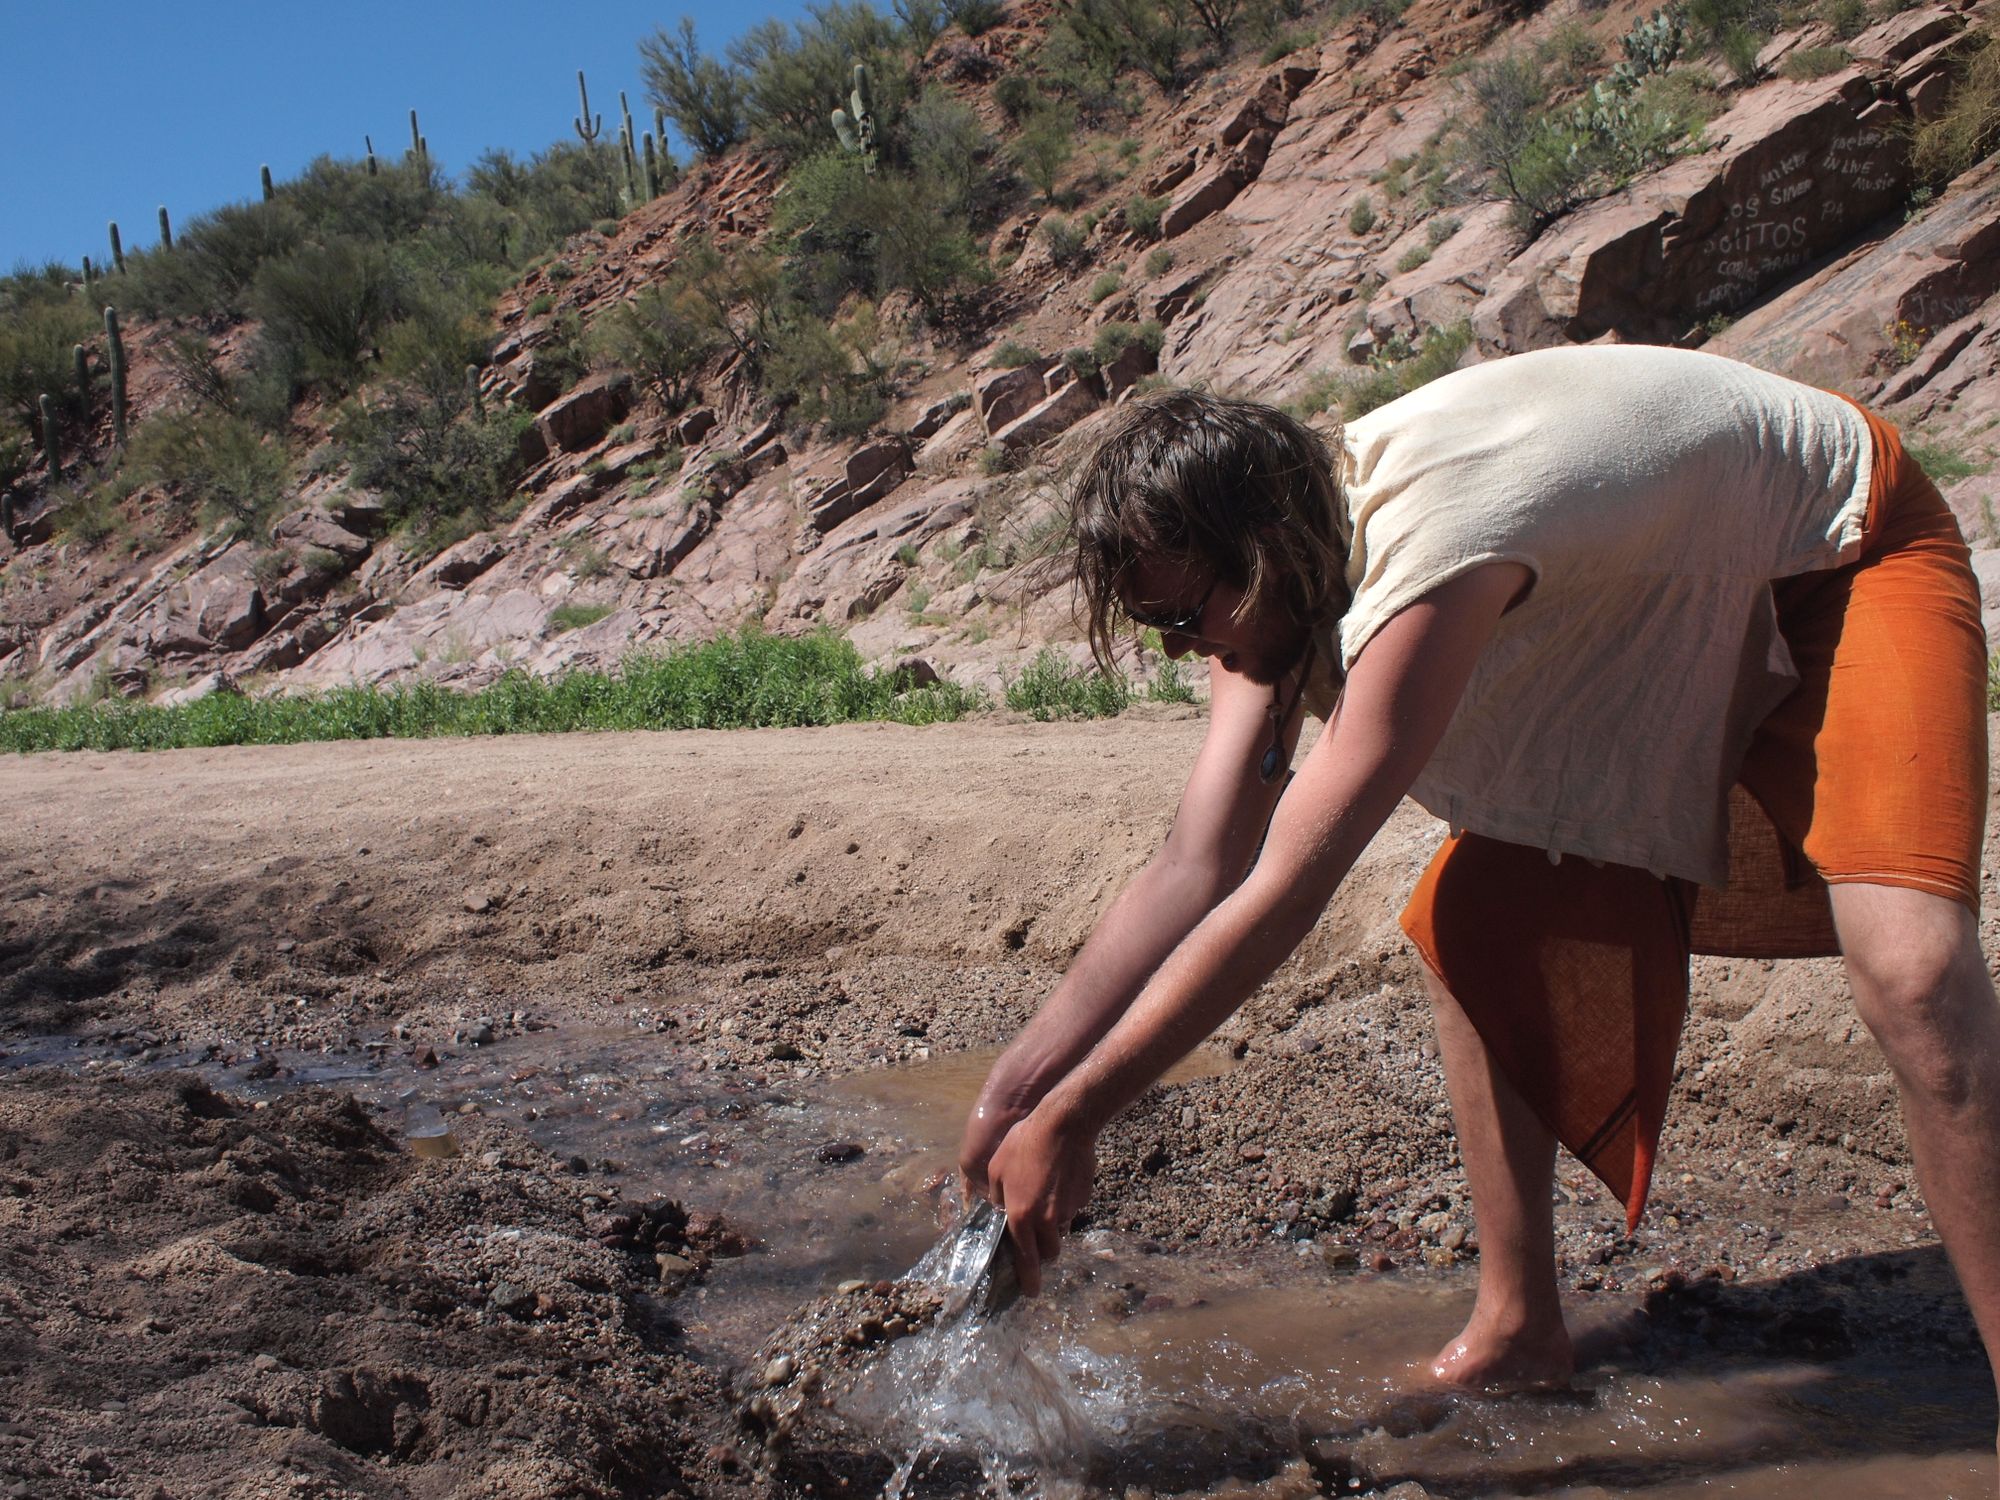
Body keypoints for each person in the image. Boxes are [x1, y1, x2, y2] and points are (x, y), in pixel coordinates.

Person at [956, 344, 2000, 1454]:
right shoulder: (1264, 585)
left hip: (1836, 539)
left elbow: (1285, 886)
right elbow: (1194, 863)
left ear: (1258, 552)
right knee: (1475, 912)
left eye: (1187, 618)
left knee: (1914, 976)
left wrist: (1077, 1118)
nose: (1185, 648)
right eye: (1159, 629)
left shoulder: (1432, 544)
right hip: (1651, 602)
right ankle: (1515, 1331)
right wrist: (1012, 1095)